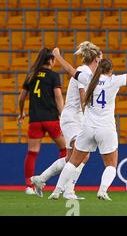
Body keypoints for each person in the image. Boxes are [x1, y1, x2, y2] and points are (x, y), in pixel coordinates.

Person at [47, 48, 127, 201]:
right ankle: (102, 191)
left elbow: (70, 69)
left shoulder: (88, 78)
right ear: (111, 70)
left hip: (88, 128)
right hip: (106, 129)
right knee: (111, 165)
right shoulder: (114, 81)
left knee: (73, 162)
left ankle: (56, 191)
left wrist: (57, 56)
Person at [30, 41, 102, 200]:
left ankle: (40, 179)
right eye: (100, 60)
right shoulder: (84, 71)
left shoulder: (85, 72)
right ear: (96, 59)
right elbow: (84, 98)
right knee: (82, 154)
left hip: (75, 118)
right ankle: (68, 191)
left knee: (72, 157)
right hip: (73, 118)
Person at [18, 48, 67, 195]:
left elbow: (21, 98)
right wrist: (63, 115)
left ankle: (29, 186)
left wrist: (21, 113)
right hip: (51, 119)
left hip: (35, 120)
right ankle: (59, 183)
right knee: (66, 151)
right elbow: (58, 97)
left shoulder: (31, 75)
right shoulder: (53, 76)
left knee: (32, 153)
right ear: (51, 60)